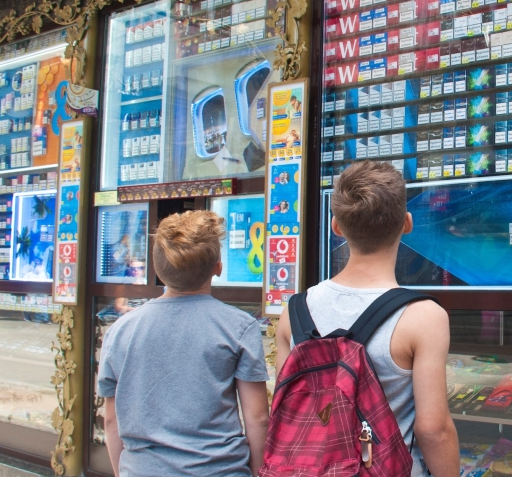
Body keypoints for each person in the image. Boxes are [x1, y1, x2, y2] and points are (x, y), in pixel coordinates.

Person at [276, 161, 459, 477]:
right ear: (407, 223)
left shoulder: (293, 311)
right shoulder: (424, 317)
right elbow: (433, 430)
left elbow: (285, 410)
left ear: (336, 227)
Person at [98, 211, 270, 477]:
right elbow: (257, 418)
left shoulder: (120, 331)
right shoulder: (239, 326)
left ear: (156, 269)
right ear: (218, 267)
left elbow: (111, 420)